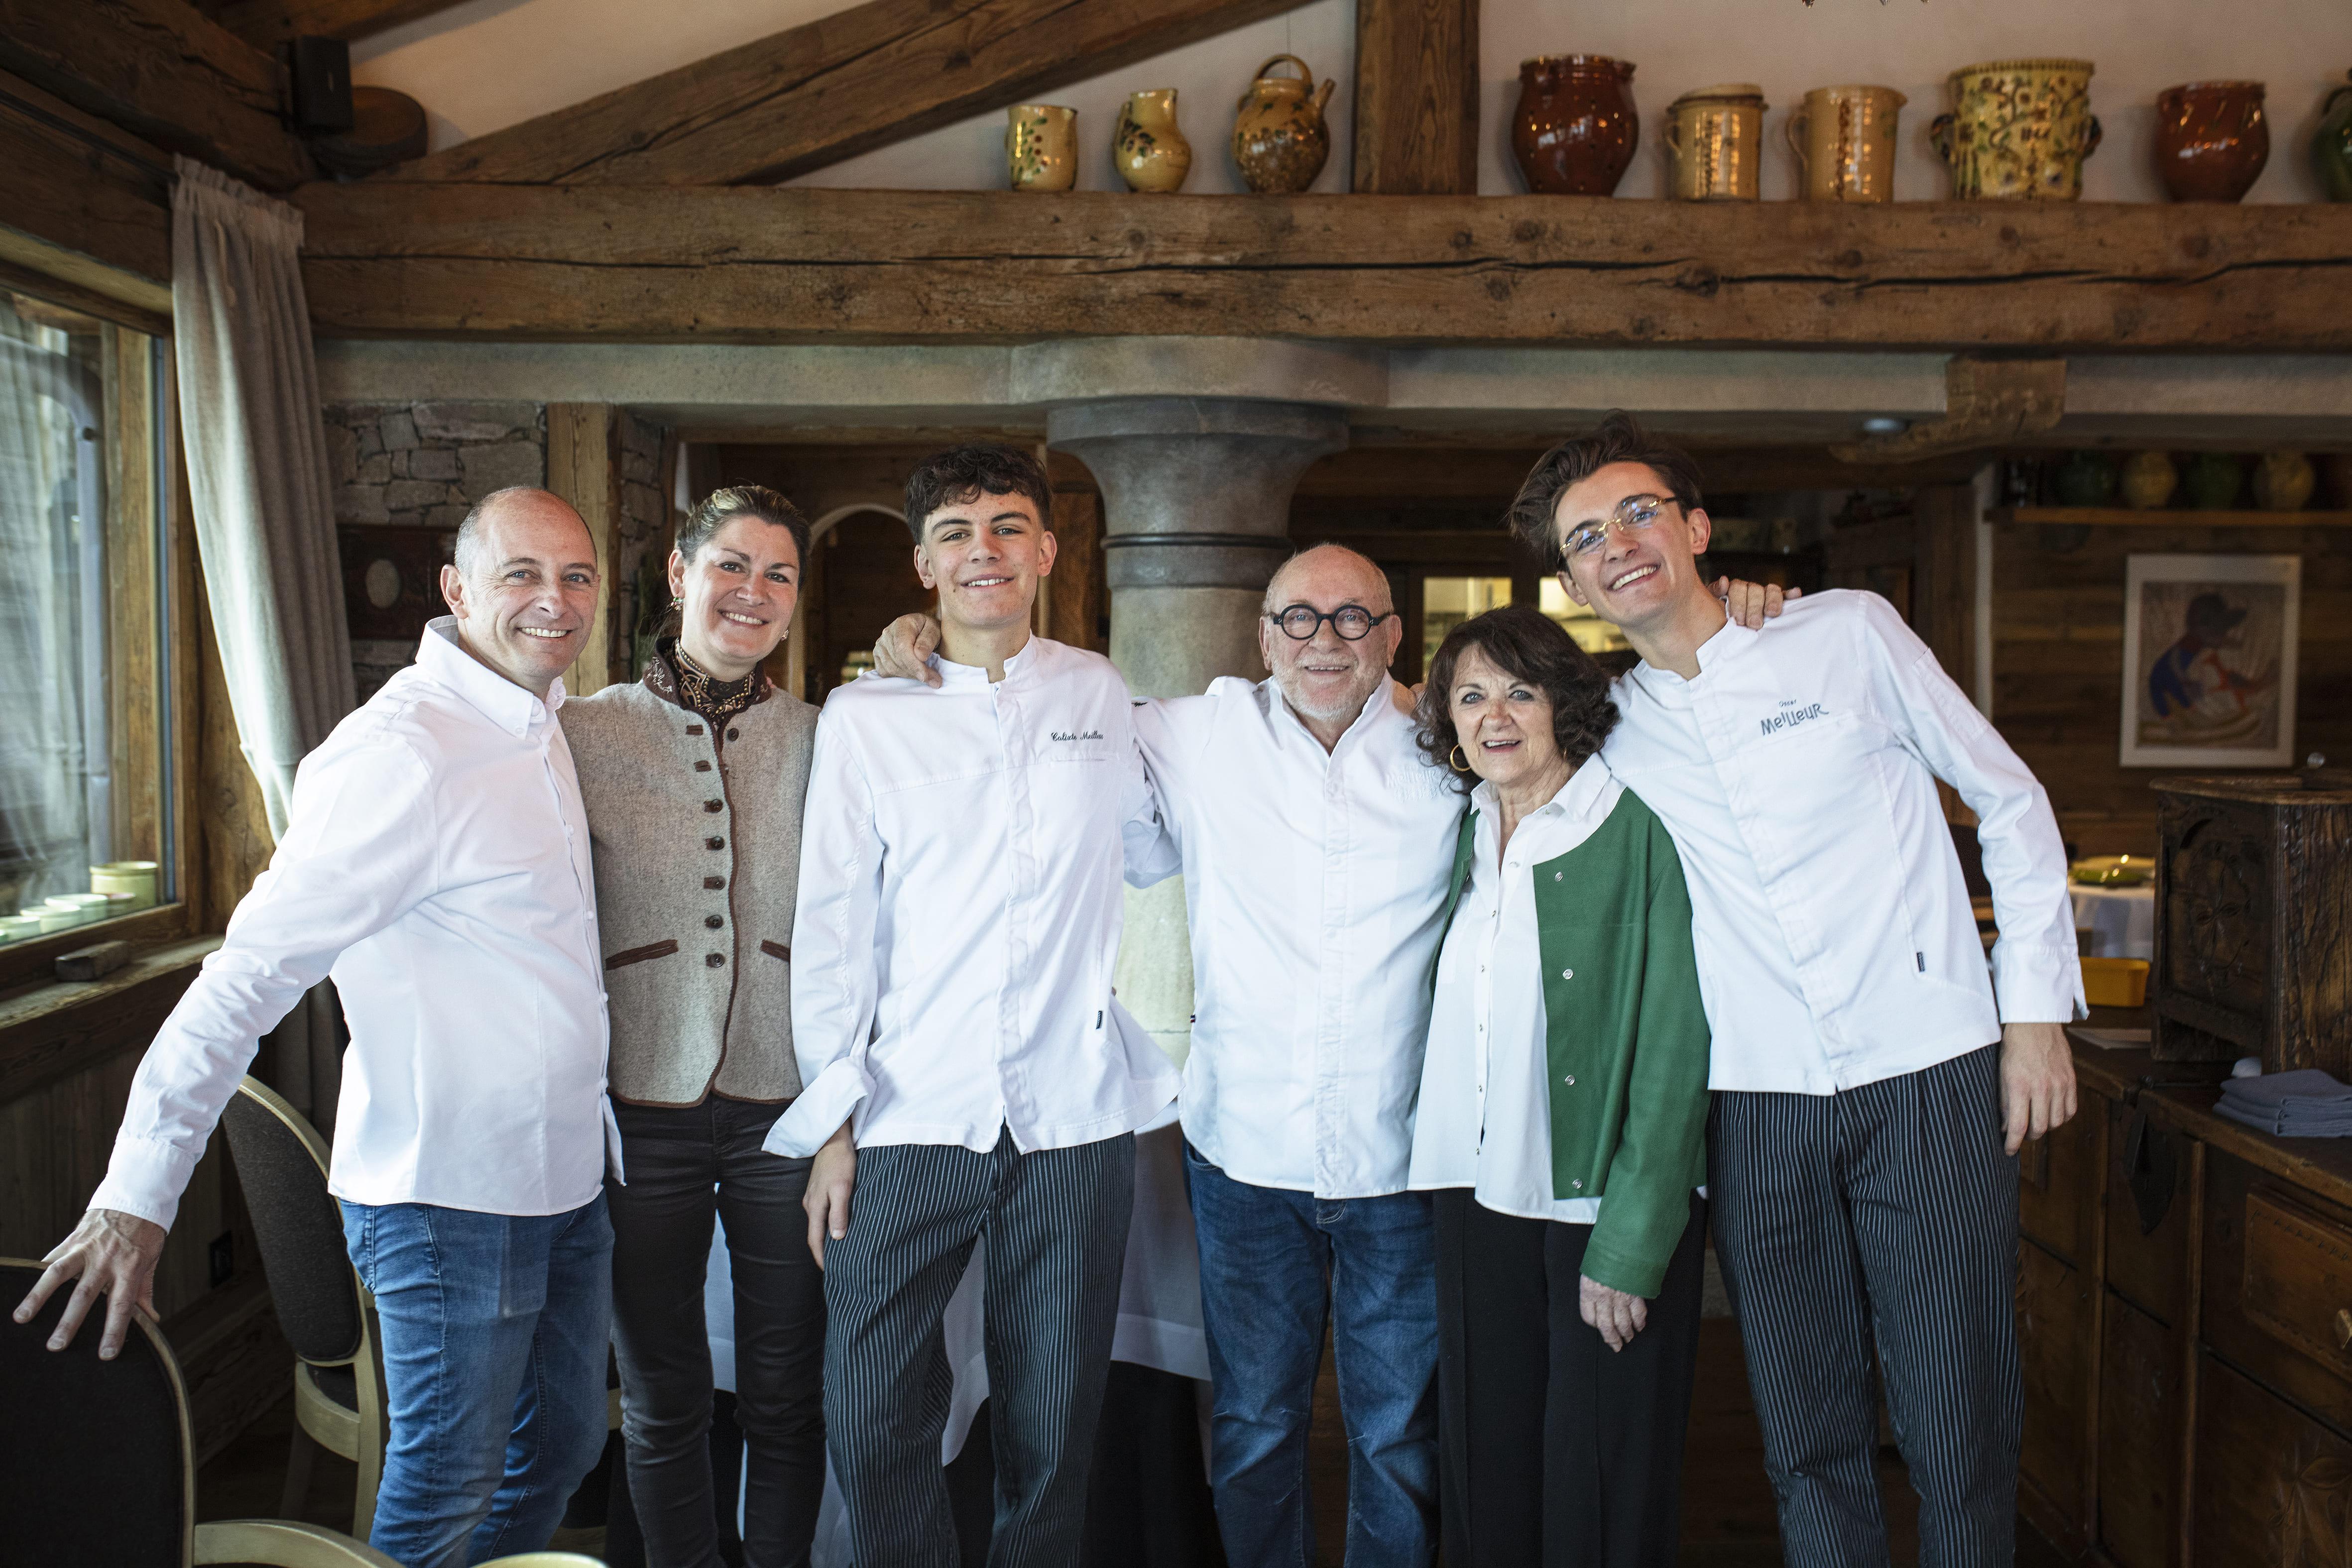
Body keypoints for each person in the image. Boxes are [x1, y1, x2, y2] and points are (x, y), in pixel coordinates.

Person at [873, 544, 1788, 1568]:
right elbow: (1036, 726)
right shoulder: (1193, 732)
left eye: (1353, 619)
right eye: (1298, 620)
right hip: (1241, 1160)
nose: (1324, 641)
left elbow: (1612, 738)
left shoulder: (1451, 750)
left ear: (1394, 638)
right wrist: (930, 643)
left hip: (1401, 1163)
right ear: (1263, 637)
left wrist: (1742, 615)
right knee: (1256, 1428)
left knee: (1397, 1437)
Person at [1512, 413, 2082, 1568]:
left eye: (1638, 512)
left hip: (1927, 1072)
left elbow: (2011, 802)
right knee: (1808, 1433)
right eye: (1586, 538)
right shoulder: (1606, 724)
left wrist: (2031, 1017)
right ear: (1572, 581)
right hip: (1756, 1103)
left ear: (1695, 528)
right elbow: (1470, 735)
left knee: (1956, 1419)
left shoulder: (1849, 634)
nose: (1617, 542)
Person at [15, 487, 619, 1568]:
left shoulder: (541, 722)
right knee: (442, 1490)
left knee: (566, 1446)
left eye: (576, 576)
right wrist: (133, 1199)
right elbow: (243, 977)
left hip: (564, 1181)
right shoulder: (400, 755)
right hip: (449, 1200)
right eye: (522, 574)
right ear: (457, 590)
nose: (554, 600)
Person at [765, 443, 1178, 1567]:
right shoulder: (866, 717)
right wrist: (834, 1121)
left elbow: (1150, 850)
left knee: (1053, 1418)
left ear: (1045, 551)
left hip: (1072, 1119)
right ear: (921, 563)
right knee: (871, 1404)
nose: (982, 552)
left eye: (1005, 528)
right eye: (955, 533)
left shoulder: (1097, 694)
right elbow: (833, 931)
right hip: (905, 1112)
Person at [1407, 604, 1712, 1568]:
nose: (1494, 716)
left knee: (1599, 1486)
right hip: (1471, 1190)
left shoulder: (1632, 825)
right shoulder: (1460, 830)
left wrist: (1633, 1235)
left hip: (1595, 1204)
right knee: (1485, 1470)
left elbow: (1677, 1042)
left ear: (1563, 703)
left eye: (1519, 692)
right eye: (1470, 696)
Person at [563, 484, 823, 1568]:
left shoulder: (825, 735)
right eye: (730, 565)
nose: (751, 592)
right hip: (641, 1105)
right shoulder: (579, 732)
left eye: (777, 574)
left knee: (786, 1391)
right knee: (664, 1396)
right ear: (679, 575)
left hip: (783, 1106)